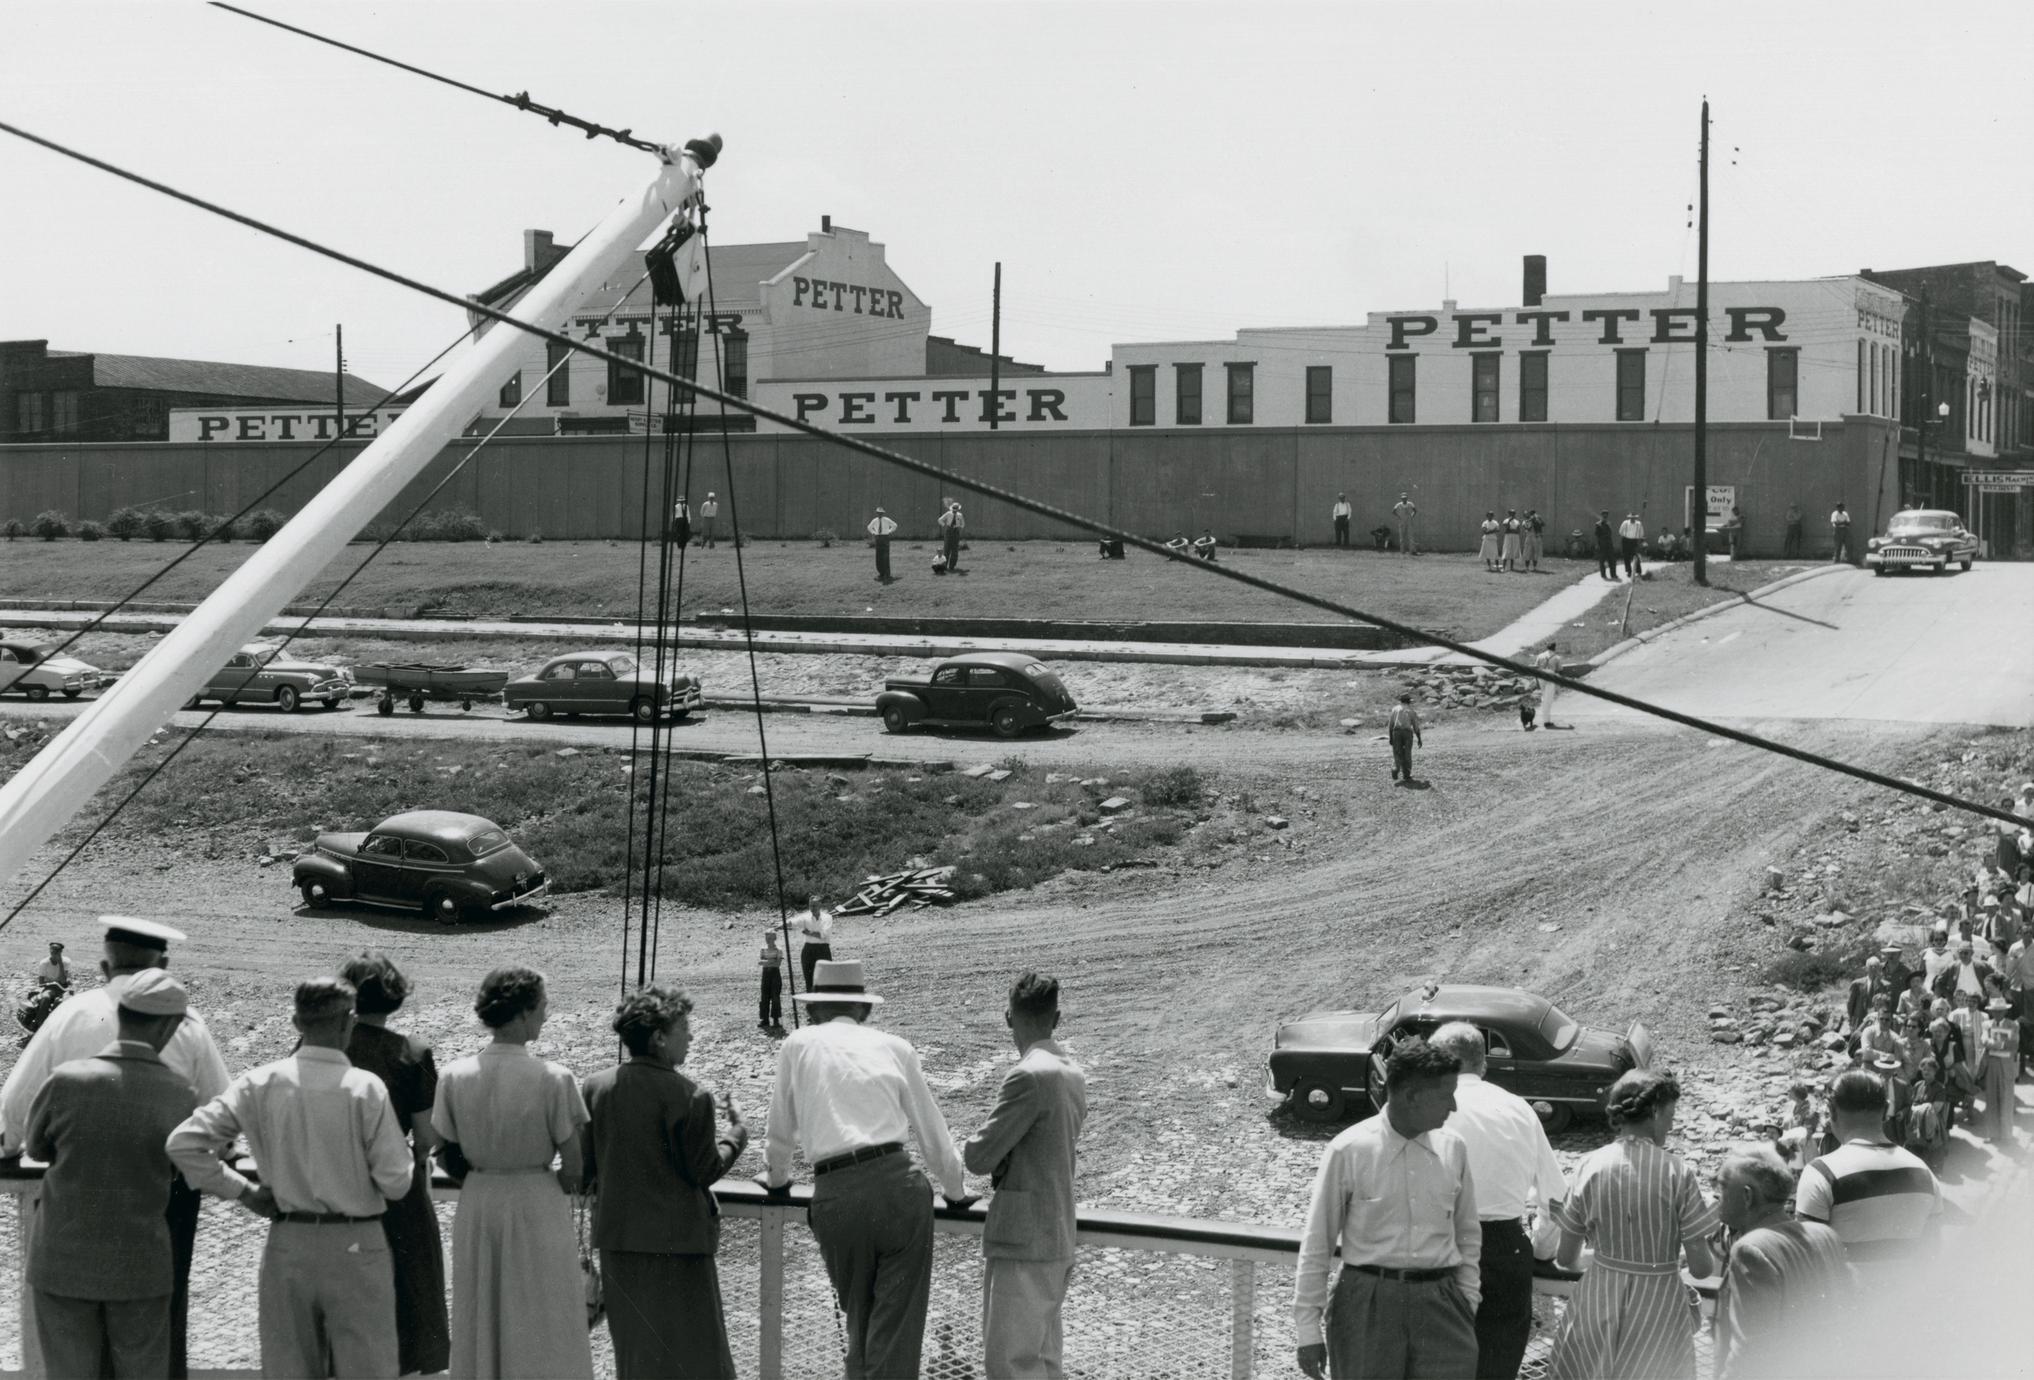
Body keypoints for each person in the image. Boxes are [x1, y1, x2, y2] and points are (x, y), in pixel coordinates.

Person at [0, 917, 229, 1380]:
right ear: (163, 965)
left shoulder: (69, 1015)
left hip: (71, 1215)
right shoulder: (185, 1023)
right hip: (156, 1214)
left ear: (105, 966)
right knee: (151, 1346)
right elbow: (220, 1125)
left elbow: (12, 1121)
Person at [168, 978, 414, 1380]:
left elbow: (184, 1144)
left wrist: (243, 1191)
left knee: (289, 1368)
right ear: (348, 1022)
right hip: (356, 1241)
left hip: (289, 1240)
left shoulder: (258, 1084)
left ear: (296, 1022)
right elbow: (396, 1183)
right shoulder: (365, 1089)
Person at [759, 959, 974, 1380]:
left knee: (861, 1324)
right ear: (864, 1008)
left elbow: (778, 1136)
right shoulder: (895, 1047)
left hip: (836, 1195)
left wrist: (778, 1182)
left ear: (813, 1009)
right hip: (898, 1190)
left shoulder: (797, 1044)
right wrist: (956, 1191)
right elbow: (934, 1138)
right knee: (894, 1332)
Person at [24, 968, 198, 1380]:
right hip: (140, 1266)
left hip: (63, 1260)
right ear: (170, 1025)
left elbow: (35, 1147)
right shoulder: (179, 1094)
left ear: (121, 1013)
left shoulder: (65, 1081)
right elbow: (185, 1162)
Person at [432, 966, 595, 1380]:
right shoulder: (554, 1078)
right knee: (544, 1313)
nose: (545, 1014)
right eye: (541, 1006)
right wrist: (548, 1182)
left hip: (480, 1199)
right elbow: (574, 1166)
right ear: (522, 1012)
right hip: (536, 1199)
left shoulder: (453, 1075)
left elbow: (443, 1150)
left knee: (481, 1308)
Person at [584, 984, 747, 1380]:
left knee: (637, 1359)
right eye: (684, 1027)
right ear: (659, 1037)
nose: (690, 1035)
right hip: (681, 1249)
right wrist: (737, 1133)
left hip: (619, 1246)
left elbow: (588, 1171)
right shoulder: (691, 1095)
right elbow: (705, 1170)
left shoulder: (594, 1087)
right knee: (698, 1359)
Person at [1292, 1038, 1478, 1380]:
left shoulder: (1455, 1149)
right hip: (1367, 1304)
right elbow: (1317, 1243)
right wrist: (1308, 1330)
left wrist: (1467, 1298)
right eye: (1445, 1094)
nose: (1453, 1106)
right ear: (1410, 1096)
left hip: (1443, 1305)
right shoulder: (1348, 1150)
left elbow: (1468, 1234)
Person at [1547, 1069, 1718, 1380]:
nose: (1672, 1123)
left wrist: (1610, 1259)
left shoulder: (1589, 1165)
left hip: (1597, 1300)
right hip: (1659, 1308)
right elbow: (1703, 1268)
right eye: (1670, 1114)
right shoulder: (1678, 1173)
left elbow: (1565, 1258)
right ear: (1653, 1112)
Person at [962, 972, 1087, 1380]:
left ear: (1008, 1018)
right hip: (1058, 1234)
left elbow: (979, 1157)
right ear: (1057, 1017)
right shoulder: (1073, 1074)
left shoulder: (1028, 1075)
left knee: (1010, 1364)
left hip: (1023, 1241)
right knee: (1045, 1362)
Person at [1428, 1023, 1565, 1380]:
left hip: (1439, 1245)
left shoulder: (1424, 1107)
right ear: (1483, 1064)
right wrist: (1543, 1252)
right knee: (1495, 1368)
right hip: (1505, 1251)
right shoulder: (1518, 1108)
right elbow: (1556, 1198)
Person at [340, 953, 449, 1378]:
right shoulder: (412, 1052)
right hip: (397, 1190)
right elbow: (427, 1138)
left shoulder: (322, 1046)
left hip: (338, 1184)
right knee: (411, 1291)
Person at [1710, 1145, 1849, 1380]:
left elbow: (1751, 1351)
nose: (1716, 1194)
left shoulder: (1750, 1249)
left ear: (1747, 1196)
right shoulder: (1824, 1234)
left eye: (1722, 1186)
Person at [1794, 1070, 1939, 1278]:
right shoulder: (1924, 1173)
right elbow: (1933, 1254)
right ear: (1886, 1109)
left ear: (1832, 1111)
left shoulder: (1821, 1173)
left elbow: (1809, 1263)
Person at [1979, 995, 2019, 1140]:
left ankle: (2007, 1135)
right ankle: (1993, 1135)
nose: (1997, 1013)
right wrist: (2001, 1044)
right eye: (1995, 1011)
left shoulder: (2013, 1025)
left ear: (2005, 1012)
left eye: (2000, 1011)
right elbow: (1983, 1040)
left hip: (2007, 1065)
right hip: (1991, 1064)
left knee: (2006, 1100)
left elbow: (2014, 1045)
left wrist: (1996, 1044)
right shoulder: (1987, 1024)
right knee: (1991, 1099)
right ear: (1991, 1012)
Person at [798, 894, 834, 994]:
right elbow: (794, 922)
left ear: (819, 906)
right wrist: (780, 925)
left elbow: (824, 934)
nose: (812, 908)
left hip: (822, 950)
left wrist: (809, 933)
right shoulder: (805, 917)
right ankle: (812, 1005)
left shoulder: (827, 918)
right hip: (809, 949)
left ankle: (826, 1004)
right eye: (811, 906)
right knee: (809, 980)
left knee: (826, 978)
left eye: (814, 906)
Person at [1387, 693, 1423, 785]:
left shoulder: (1395, 709)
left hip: (1396, 732)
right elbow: (1415, 726)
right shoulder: (1411, 711)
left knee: (1397, 752)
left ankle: (1396, 768)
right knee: (1407, 753)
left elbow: (1391, 724)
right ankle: (1406, 774)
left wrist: (1391, 737)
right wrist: (1419, 738)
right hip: (1407, 733)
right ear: (1408, 702)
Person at [1532, 642, 1566, 731]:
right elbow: (1560, 670)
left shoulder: (1540, 656)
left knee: (1544, 697)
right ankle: (1546, 721)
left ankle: (1545, 718)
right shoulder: (1556, 658)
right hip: (1551, 677)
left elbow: (1535, 668)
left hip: (1541, 676)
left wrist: (1536, 681)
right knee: (1549, 699)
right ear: (1554, 648)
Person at [759, 928, 785, 1030]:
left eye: (770, 937)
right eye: (766, 937)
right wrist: (772, 960)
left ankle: (776, 1020)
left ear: (774, 938)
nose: (768, 939)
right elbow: (760, 962)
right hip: (766, 974)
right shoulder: (763, 948)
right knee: (764, 996)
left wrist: (767, 962)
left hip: (775, 974)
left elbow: (778, 964)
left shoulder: (778, 949)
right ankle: (764, 1019)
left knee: (775, 996)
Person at [867, 507, 898, 582]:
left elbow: (895, 525)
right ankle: (881, 573)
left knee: (885, 556)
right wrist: (874, 533)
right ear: (877, 513)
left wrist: (889, 531)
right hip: (878, 538)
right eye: (878, 513)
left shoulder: (887, 520)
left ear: (883, 513)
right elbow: (869, 527)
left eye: (881, 513)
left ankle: (887, 574)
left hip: (885, 537)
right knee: (879, 556)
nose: (879, 514)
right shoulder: (874, 520)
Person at [938, 500, 965, 573]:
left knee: (955, 549)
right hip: (948, 530)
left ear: (958, 509)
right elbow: (940, 520)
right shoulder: (948, 514)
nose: (955, 510)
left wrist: (958, 527)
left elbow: (963, 524)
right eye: (954, 508)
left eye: (956, 509)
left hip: (956, 531)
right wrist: (944, 526)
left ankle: (952, 566)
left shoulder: (960, 515)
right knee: (946, 548)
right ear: (952, 508)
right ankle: (944, 565)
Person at [1617, 512, 1646, 578]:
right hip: (1626, 541)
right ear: (1629, 517)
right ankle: (1629, 571)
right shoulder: (1625, 523)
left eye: (1634, 518)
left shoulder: (1639, 524)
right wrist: (1625, 537)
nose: (1633, 519)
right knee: (1626, 557)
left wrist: (1638, 538)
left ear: (1636, 518)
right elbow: (1620, 532)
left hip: (1634, 541)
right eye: (1631, 517)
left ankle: (1638, 571)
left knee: (1636, 556)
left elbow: (1642, 533)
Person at [1593, 510, 1617, 581]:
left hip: (1609, 544)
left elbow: (1610, 534)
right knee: (1602, 561)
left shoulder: (1608, 523)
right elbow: (1597, 535)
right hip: (1602, 544)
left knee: (1612, 560)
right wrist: (1598, 544)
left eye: (1606, 515)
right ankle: (1603, 575)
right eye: (1604, 515)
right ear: (1601, 516)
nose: (1605, 517)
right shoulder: (1598, 524)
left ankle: (1613, 574)